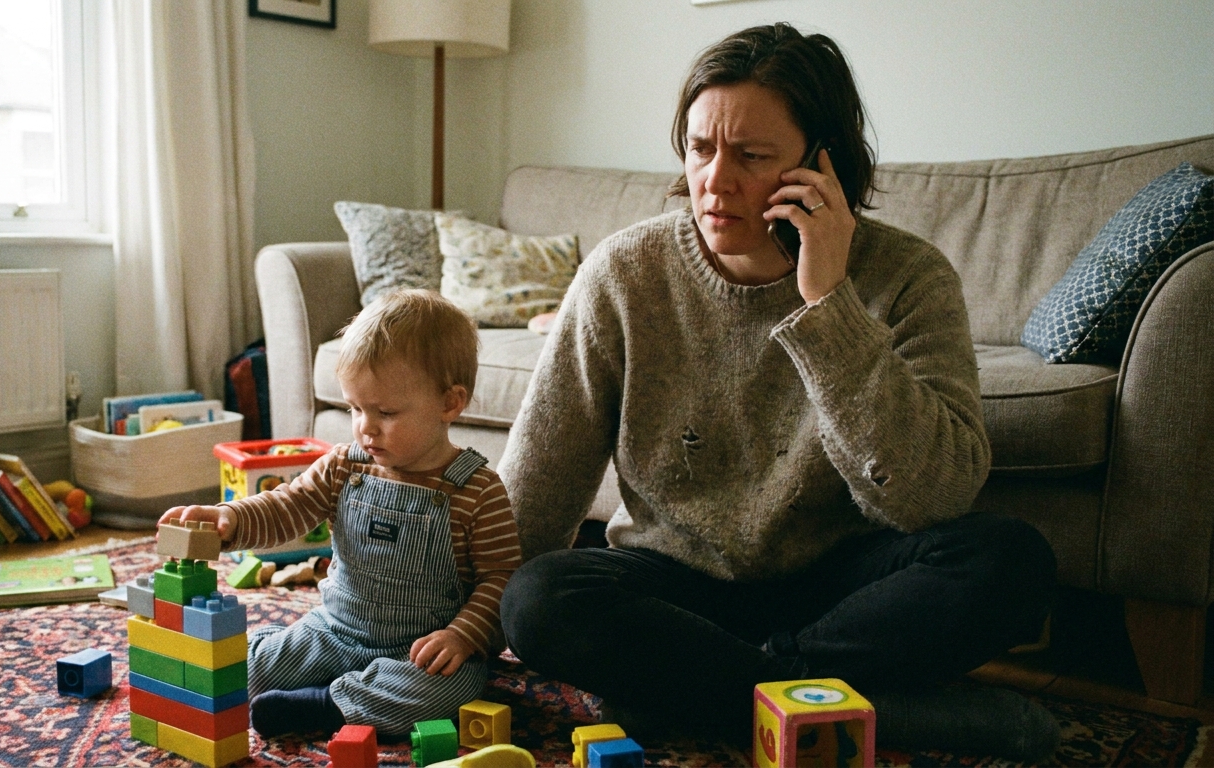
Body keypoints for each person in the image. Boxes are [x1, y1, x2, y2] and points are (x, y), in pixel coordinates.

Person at [497, 23, 1060, 761]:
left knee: (1009, 561)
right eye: (701, 149)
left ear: (822, 163)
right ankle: (862, 710)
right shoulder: (625, 272)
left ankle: (705, 693)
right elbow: (538, 486)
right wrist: (468, 615)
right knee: (538, 600)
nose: (715, 181)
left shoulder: (911, 276)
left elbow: (934, 497)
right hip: (676, 584)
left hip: (841, 584)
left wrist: (828, 305)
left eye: (752, 156)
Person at [159, 289, 522, 737]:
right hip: (334, 629)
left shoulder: (477, 489)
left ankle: (328, 706)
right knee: (246, 667)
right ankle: (284, 665)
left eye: (385, 412)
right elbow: (288, 506)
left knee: (452, 690)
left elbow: (501, 578)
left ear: (450, 403)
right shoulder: (344, 465)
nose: (365, 427)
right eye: (355, 409)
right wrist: (231, 519)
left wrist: (463, 636)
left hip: (420, 651)